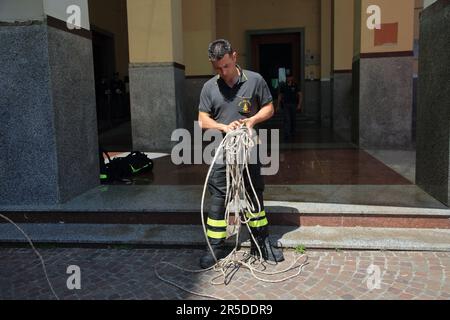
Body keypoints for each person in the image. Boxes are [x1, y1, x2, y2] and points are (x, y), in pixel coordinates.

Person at [198, 39, 284, 269]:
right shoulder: (209, 87)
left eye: (226, 65)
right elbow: (202, 120)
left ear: (234, 56)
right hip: (221, 152)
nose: (223, 72)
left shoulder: (255, 80)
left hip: (249, 150)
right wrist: (224, 128)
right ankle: (215, 246)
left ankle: (261, 242)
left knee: (254, 193)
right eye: (217, 68)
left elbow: (269, 107)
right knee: (218, 199)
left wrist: (252, 120)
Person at [277, 74, 302, 141]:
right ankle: (287, 134)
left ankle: (293, 132)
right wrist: (278, 105)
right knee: (287, 119)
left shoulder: (295, 85)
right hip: (286, 105)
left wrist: (299, 104)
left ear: (292, 77)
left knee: (293, 119)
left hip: (293, 104)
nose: (289, 78)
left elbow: (300, 95)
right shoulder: (283, 86)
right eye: (287, 77)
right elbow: (280, 95)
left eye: (290, 77)